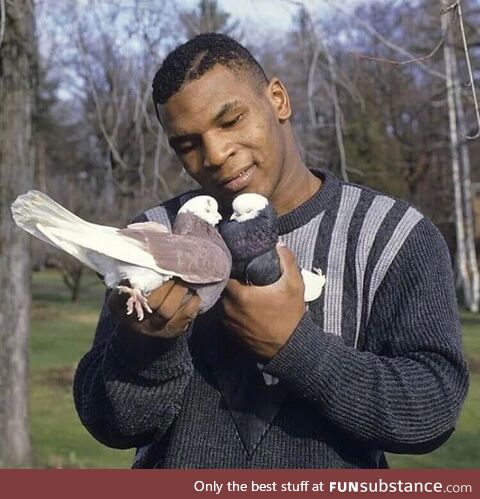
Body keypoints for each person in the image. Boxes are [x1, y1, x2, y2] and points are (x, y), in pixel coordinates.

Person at [73, 33, 469, 468]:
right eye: (187, 144)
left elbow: (432, 409)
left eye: (231, 121)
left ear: (278, 100)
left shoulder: (393, 235)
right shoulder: (157, 237)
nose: (217, 154)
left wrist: (296, 347)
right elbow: (109, 423)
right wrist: (142, 347)